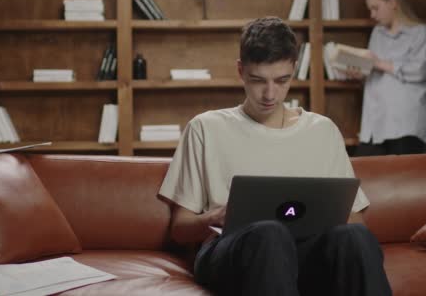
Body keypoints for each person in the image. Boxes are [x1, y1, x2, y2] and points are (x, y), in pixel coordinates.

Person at [158, 17, 392, 296]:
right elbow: (179, 228)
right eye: (258, 80)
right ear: (241, 71)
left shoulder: (323, 131)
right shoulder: (205, 127)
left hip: (306, 253)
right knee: (270, 233)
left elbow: (355, 220)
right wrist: (215, 217)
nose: (270, 94)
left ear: (294, 70)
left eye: (282, 81)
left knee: (356, 237)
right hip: (232, 250)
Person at [342, 0, 426, 156]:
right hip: (376, 122)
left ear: (393, 3)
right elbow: (374, 71)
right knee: (365, 174)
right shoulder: (377, 33)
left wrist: (378, 63)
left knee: (406, 180)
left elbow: (421, 71)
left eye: (375, 8)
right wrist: (360, 73)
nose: (372, 14)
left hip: (406, 124)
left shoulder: (420, 33)